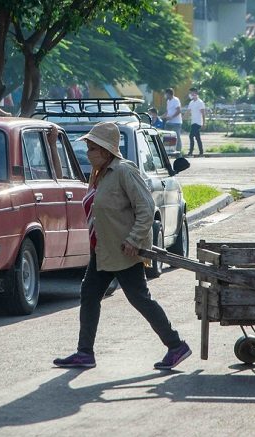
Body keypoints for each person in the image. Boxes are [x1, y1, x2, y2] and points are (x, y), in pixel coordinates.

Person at [53, 121, 191, 370]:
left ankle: (175, 345)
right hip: (103, 249)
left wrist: (134, 240)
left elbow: (146, 208)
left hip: (124, 250)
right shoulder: (100, 174)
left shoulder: (124, 171)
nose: (88, 153)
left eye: (92, 148)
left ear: (105, 151)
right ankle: (85, 352)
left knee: (139, 298)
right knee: (89, 294)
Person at [162, 88, 183, 153]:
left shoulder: (176, 100)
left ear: (169, 94)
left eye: (166, 94)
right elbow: (168, 111)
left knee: (177, 137)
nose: (165, 95)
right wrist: (162, 116)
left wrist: (171, 117)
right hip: (169, 122)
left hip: (176, 122)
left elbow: (179, 110)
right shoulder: (168, 101)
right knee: (166, 136)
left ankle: (178, 151)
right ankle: (167, 150)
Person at [186, 87, 206, 157]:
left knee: (191, 136)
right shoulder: (191, 102)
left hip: (198, 123)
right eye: (190, 93)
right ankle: (201, 152)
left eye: (191, 92)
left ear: (195, 93)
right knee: (197, 138)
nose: (190, 94)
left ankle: (190, 152)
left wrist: (204, 123)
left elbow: (203, 113)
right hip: (193, 122)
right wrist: (183, 118)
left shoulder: (200, 102)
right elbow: (188, 112)